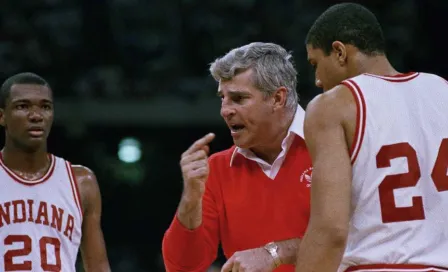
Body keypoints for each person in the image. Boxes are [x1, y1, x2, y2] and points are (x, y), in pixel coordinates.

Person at [294, 3, 448, 272]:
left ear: (340, 52)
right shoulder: (442, 90)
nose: (317, 79)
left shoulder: (332, 105)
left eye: (315, 64)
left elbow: (330, 230)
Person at [162, 42, 312, 272]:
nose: (225, 110)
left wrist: (275, 253)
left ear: (277, 98)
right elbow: (183, 267)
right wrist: (190, 200)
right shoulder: (217, 168)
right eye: (223, 98)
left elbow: (362, 239)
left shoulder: (331, 146)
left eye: (239, 98)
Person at [0, 72, 111, 271]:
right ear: (2, 116)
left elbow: (97, 266)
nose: (36, 116)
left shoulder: (81, 181)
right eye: (22, 106)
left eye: (45, 107)